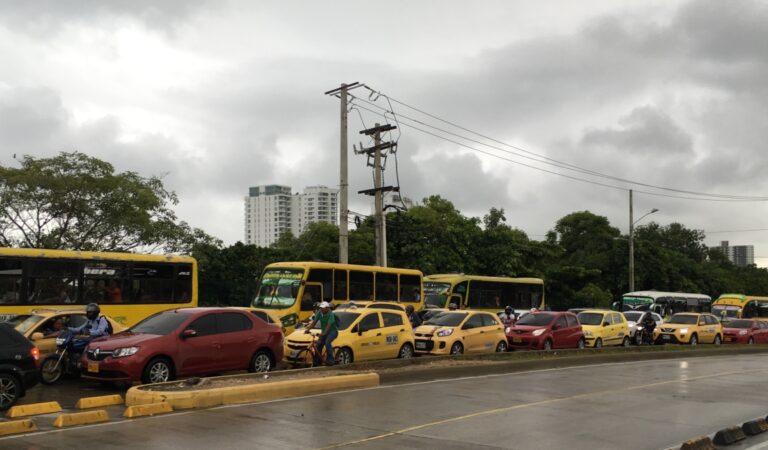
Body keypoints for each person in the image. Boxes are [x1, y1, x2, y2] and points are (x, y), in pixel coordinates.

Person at [304, 301, 338, 366]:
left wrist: (323, 334)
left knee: (327, 342)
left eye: (323, 308)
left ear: (327, 308)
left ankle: (330, 360)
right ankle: (317, 361)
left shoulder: (331, 314)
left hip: (332, 332)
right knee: (318, 344)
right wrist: (308, 330)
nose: (321, 309)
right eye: (321, 308)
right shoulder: (319, 312)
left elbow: (329, 325)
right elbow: (314, 322)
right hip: (324, 332)